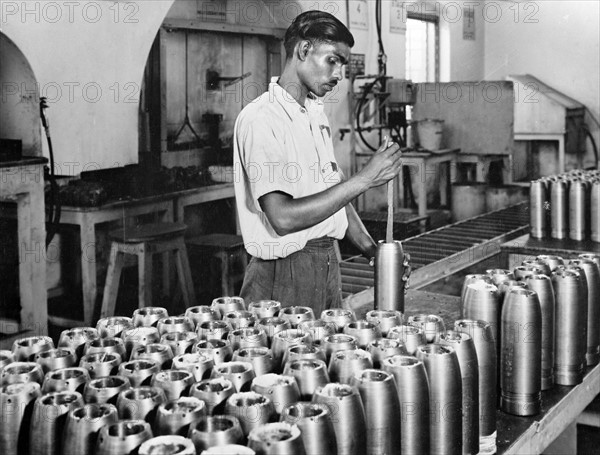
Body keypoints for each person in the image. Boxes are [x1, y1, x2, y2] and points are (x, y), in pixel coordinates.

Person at [233, 10, 403, 317]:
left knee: (322, 362)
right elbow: (282, 218)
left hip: (326, 263)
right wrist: (364, 179)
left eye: (343, 64)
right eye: (333, 60)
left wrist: (371, 250)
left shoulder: (314, 114)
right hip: (282, 274)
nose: (339, 74)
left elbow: (333, 191)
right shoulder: (262, 119)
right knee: (281, 362)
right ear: (303, 50)